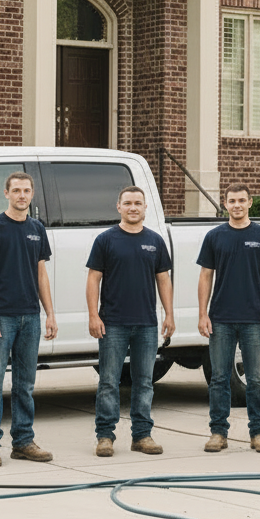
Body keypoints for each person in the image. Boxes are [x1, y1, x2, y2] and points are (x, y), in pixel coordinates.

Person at [0, 171, 57, 467]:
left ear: (32, 194)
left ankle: (23, 442)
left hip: (30, 318)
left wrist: (49, 313)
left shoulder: (37, 229)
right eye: (16, 190)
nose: (22, 195)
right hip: (1, 318)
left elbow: (41, 274)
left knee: (25, 384)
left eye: (26, 190)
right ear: (6, 193)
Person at [87, 186, 176, 457]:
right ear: (119, 207)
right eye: (128, 203)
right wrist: (93, 315)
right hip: (112, 323)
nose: (133, 207)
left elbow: (163, 279)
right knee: (109, 381)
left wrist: (169, 314)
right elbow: (93, 279)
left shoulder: (155, 241)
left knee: (144, 381)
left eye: (138, 203)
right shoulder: (106, 240)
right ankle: (105, 436)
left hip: (147, 323)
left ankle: (142, 435)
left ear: (145, 207)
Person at [197, 183, 260, 453]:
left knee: (256, 378)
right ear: (225, 203)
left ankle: (259, 433)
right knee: (219, 379)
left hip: (254, 319)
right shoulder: (214, 236)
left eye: (241, 200)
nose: (237, 205)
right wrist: (202, 313)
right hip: (220, 318)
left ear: (250, 202)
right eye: (232, 201)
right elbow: (205, 276)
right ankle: (218, 433)